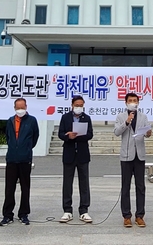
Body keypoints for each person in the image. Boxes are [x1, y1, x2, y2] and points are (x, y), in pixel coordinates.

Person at [114, 92, 153, 228]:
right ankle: (126, 216)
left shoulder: (143, 116)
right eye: (130, 100)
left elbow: (147, 132)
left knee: (140, 186)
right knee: (125, 187)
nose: (132, 102)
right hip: (126, 156)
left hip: (139, 155)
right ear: (126, 103)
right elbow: (117, 132)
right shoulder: (121, 116)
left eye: (135, 100)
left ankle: (140, 215)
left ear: (138, 102)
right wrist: (127, 122)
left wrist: (148, 133)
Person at [0, 98, 39, 226]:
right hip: (11, 158)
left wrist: (26, 148)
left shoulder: (32, 120)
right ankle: (7, 215)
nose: (20, 110)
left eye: (22, 107)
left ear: (26, 107)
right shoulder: (10, 121)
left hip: (25, 159)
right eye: (18, 107)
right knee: (9, 188)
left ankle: (23, 214)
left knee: (25, 187)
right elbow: (8, 137)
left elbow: (35, 137)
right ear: (14, 107)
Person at [59, 95, 94, 224]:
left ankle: (84, 210)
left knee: (84, 182)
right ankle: (67, 210)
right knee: (67, 183)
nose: (79, 107)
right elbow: (60, 134)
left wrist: (78, 136)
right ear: (72, 105)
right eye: (77, 105)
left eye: (81, 105)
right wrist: (68, 136)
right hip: (69, 153)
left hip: (83, 154)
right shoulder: (65, 117)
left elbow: (90, 134)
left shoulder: (87, 118)